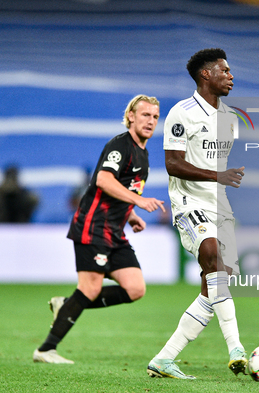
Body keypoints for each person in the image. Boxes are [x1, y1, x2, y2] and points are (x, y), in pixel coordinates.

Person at [32, 94, 166, 364]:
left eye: (154, 117)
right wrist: (138, 201)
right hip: (92, 227)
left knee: (135, 288)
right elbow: (104, 180)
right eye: (144, 115)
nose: (150, 121)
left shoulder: (144, 153)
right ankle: (46, 350)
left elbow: (124, 189)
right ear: (131, 116)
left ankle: (67, 304)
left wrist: (130, 216)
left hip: (114, 231)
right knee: (90, 288)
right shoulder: (120, 145)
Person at [146, 48, 247, 380]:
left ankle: (165, 358)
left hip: (220, 206)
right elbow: (173, 163)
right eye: (225, 71)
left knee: (214, 283)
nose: (231, 76)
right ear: (206, 75)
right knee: (211, 257)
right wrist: (217, 176)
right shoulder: (181, 112)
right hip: (189, 203)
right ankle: (236, 348)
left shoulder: (230, 118)